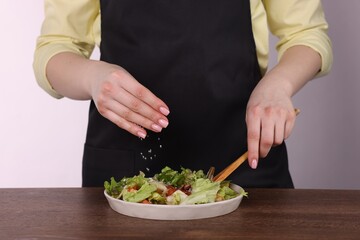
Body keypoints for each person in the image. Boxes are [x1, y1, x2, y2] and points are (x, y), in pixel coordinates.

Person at [33, 0, 332, 188]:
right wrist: (91, 77)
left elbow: (306, 34)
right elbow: (55, 48)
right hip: (126, 174)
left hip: (243, 162)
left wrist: (277, 85)